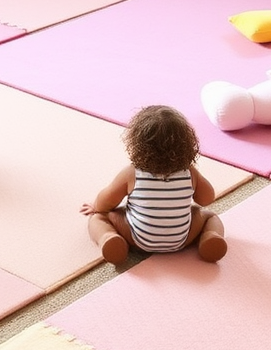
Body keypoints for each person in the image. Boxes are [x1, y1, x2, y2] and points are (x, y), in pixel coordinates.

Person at [80, 104, 227, 267]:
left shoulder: (132, 173)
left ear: (137, 144)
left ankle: (108, 238)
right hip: (181, 238)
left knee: (99, 218)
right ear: (186, 143)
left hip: (138, 238)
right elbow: (207, 199)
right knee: (209, 215)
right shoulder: (189, 172)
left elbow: (105, 203)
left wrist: (97, 206)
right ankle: (210, 236)